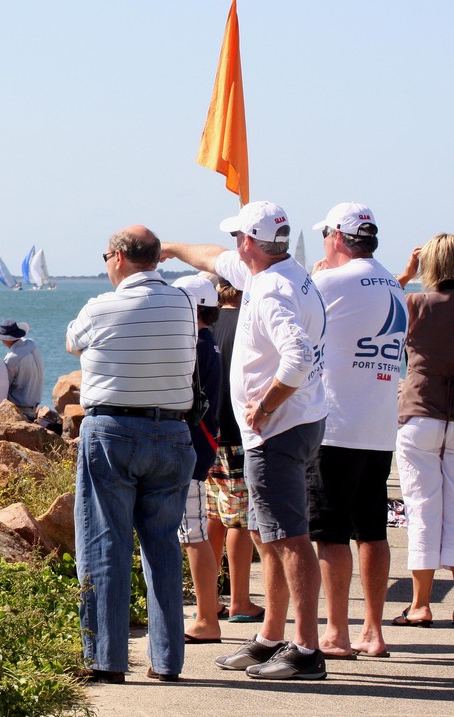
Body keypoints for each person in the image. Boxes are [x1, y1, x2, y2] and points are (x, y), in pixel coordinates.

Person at [161, 200, 329, 680]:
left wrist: (267, 403)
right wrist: (171, 247)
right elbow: (213, 257)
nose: (235, 243)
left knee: (290, 538)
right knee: (268, 534)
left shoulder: (272, 289)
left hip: (279, 429)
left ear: (251, 242)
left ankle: (306, 649)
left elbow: (296, 358)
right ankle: (270, 637)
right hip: (293, 425)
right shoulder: (280, 271)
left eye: (240, 236)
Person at [67, 225, 197, 683]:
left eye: (105, 256)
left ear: (119, 257)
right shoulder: (183, 302)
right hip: (173, 433)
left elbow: (72, 341)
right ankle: (166, 661)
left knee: (105, 543)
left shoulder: (102, 306)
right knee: (162, 545)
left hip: (114, 432)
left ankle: (106, 659)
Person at [306, 202, 406, 659]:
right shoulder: (394, 284)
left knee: (330, 533)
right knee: (373, 530)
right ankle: (374, 631)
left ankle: (337, 632)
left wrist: (316, 272)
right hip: (380, 426)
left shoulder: (330, 281)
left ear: (338, 237)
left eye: (327, 233)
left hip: (337, 426)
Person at [393, 234, 454, 628]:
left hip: (420, 412)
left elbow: (376, 307)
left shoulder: (414, 303)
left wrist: (406, 274)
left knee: (422, 510)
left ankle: (420, 605)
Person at [205, 276, 263, 623]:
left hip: (208, 432)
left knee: (213, 518)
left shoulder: (207, 326)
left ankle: (209, 597)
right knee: (239, 520)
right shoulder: (250, 321)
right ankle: (240, 599)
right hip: (240, 432)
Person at [171, 274, 224, 645]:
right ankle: (206, 611)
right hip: (202, 445)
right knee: (193, 531)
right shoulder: (208, 342)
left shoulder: (193, 345)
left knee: (193, 533)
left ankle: (207, 617)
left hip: (189, 448)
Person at [0, 319, 44, 420]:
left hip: (20, 409)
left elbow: (5, 387)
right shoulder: (32, 344)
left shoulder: (11, 359)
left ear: (4, 339)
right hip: (34, 405)